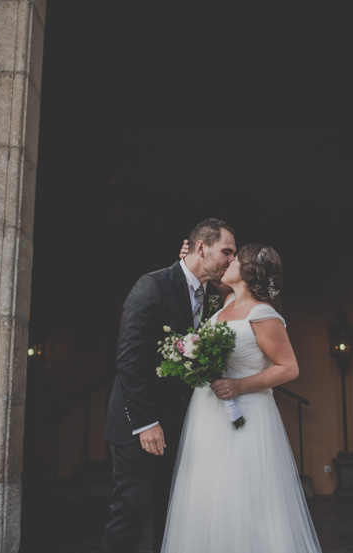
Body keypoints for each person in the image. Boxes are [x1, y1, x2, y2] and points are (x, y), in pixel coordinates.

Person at [160, 243, 322, 553]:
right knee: (208, 495)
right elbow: (200, 277)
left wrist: (239, 387)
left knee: (243, 496)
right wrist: (189, 258)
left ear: (248, 273)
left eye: (235, 259)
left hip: (246, 417)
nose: (229, 262)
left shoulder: (263, 314)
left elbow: (289, 368)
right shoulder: (226, 302)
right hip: (207, 416)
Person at [102, 218, 238, 553]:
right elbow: (128, 360)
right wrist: (146, 422)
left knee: (173, 514)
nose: (231, 262)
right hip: (139, 426)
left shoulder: (213, 297)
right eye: (227, 252)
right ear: (201, 247)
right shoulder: (152, 286)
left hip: (180, 427)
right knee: (129, 513)